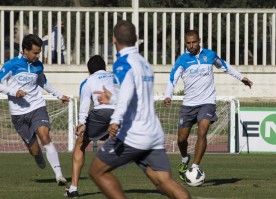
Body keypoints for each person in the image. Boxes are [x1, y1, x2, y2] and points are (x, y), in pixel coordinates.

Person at [88, 20, 191, 199]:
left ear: (114, 39)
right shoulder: (144, 63)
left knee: (97, 171)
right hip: (153, 132)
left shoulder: (122, 63)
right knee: (163, 181)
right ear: (136, 39)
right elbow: (136, 95)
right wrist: (112, 97)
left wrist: (115, 120)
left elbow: (127, 94)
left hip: (133, 134)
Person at [164, 30, 253, 182]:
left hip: (207, 101)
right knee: (181, 139)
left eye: (194, 42)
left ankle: (195, 167)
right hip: (189, 105)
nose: (191, 45)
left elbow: (225, 66)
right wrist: (168, 95)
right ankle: (185, 158)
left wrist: (241, 77)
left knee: (202, 132)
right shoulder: (183, 60)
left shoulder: (209, 55)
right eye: (188, 43)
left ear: (200, 41)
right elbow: (173, 78)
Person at [0, 34, 69, 185]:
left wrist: (59, 95)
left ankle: (59, 176)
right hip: (18, 114)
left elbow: (43, 82)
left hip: (37, 106)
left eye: (39, 53)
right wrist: (13, 92)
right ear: (25, 50)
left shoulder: (38, 65)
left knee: (44, 135)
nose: (38, 56)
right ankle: (37, 155)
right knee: (35, 151)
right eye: (35, 53)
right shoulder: (12, 65)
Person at [64, 55, 117, 198]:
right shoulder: (116, 77)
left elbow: (85, 105)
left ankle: (73, 188)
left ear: (89, 70)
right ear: (105, 67)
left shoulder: (88, 81)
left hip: (101, 113)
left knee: (80, 144)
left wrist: (82, 123)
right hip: (120, 113)